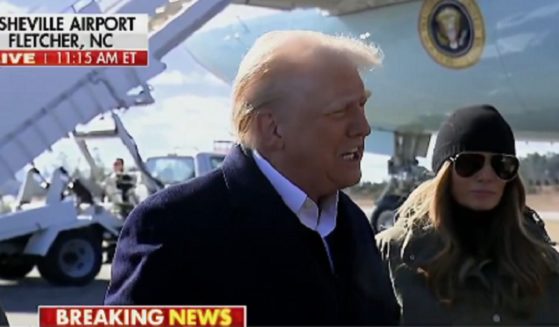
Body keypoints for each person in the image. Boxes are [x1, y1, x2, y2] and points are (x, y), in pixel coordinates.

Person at [105, 30, 400, 325]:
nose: (362, 128)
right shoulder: (173, 227)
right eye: (339, 112)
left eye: (361, 106)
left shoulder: (353, 224)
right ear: (273, 129)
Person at [376, 104, 559, 325]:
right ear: (444, 174)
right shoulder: (393, 256)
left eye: (502, 164)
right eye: (470, 163)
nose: (486, 175)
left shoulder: (541, 263)